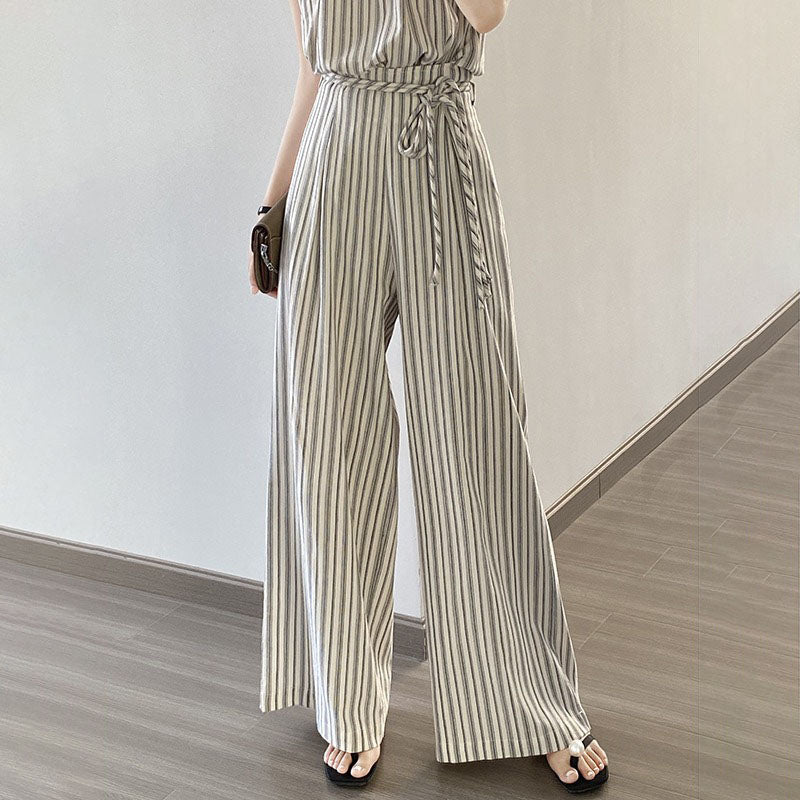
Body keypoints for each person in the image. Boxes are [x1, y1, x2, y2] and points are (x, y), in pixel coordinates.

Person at [249, 0, 610, 792]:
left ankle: (532, 703)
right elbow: (311, 70)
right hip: (334, 166)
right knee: (329, 434)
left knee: (478, 434)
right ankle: (349, 700)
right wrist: (271, 207)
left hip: (441, 154)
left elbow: (487, 13)